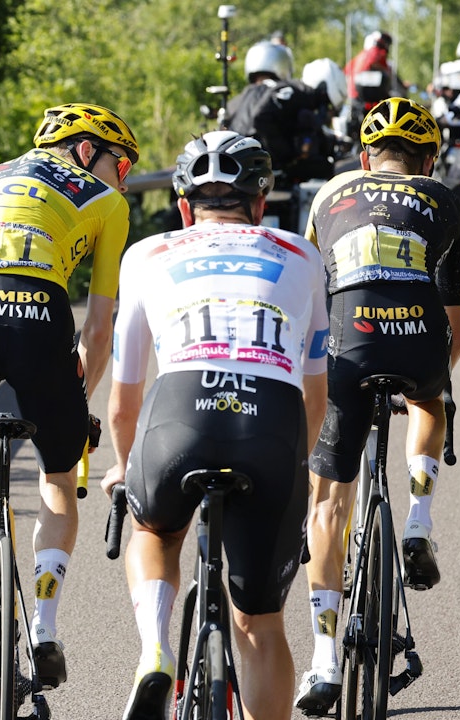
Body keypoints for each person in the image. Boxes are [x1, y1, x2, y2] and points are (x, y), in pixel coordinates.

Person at [0, 102, 139, 719]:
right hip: (42, 320)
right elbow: (100, 321)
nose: (122, 177)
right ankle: (42, 628)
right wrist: (79, 405)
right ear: (87, 151)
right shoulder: (108, 202)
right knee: (60, 479)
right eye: (120, 162)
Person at [101, 131, 330, 720]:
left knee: (153, 531)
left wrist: (125, 470)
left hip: (179, 411)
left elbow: (123, 400)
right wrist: (296, 472)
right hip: (272, 420)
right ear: (261, 204)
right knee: (258, 623)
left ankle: (154, 649)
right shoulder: (304, 257)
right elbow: (316, 392)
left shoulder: (146, 256)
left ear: (183, 208)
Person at [293, 98, 460, 715]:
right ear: (428, 160)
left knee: (328, 502)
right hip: (418, 335)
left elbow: (313, 290)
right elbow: (458, 326)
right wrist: (427, 383)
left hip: (346, 339)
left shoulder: (327, 195)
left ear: (365, 157)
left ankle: (322, 662)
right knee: (430, 396)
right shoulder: (443, 199)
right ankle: (419, 519)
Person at [226, 41, 335, 182]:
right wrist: (285, 155)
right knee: (324, 167)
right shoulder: (283, 89)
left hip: (237, 167)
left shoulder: (240, 97)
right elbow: (261, 118)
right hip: (267, 167)